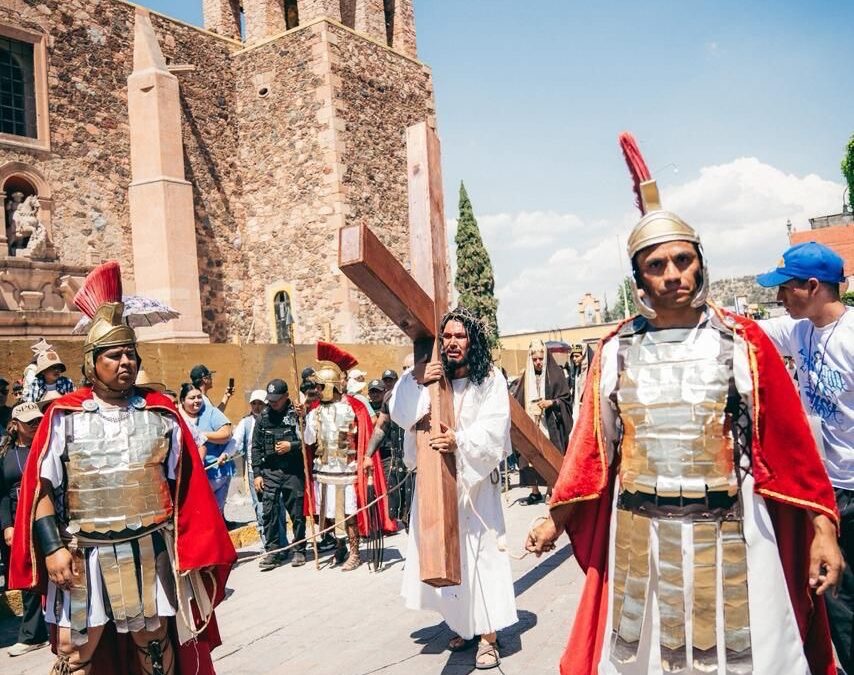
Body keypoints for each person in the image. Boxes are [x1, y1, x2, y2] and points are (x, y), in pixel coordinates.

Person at [526, 138, 843, 675]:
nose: (672, 273)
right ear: (639, 280)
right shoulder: (614, 350)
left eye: (682, 260)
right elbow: (590, 454)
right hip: (641, 541)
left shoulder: (743, 342)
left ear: (699, 265)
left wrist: (823, 528)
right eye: (657, 265)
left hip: (735, 529)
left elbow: (790, 448)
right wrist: (556, 521)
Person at [9, 260, 235, 675]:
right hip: (84, 554)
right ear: (92, 361)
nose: (125, 362)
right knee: (74, 652)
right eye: (113, 355)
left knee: (154, 647)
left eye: (130, 353)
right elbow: (41, 489)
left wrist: (196, 547)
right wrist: (53, 547)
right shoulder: (64, 417)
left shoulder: (161, 414)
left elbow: (187, 490)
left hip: (148, 548)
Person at [390, 306, 517, 670]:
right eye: (446, 337)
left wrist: (459, 440)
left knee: (481, 560)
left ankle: (489, 635)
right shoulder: (431, 376)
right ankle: (464, 624)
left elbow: (495, 426)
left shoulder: (489, 378)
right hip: (437, 484)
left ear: (472, 340)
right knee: (450, 559)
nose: (452, 343)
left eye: (460, 336)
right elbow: (401, 412)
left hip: (475, 490)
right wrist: (417, 378)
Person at [755, 241, 853, 674]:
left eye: (785, 287)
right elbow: (745, 329)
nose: (778, 297)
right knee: (840, 608)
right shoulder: (798, 331)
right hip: (829, 494)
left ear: (813, 286)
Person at [304, 343, 395, 571]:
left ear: (328, 386)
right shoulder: (314, 410)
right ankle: (339, 546)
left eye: (319, 386)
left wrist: (365, 459)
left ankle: (355, 552)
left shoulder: (353, 407)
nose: (316, 389)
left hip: (347, 469)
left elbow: (366, 433)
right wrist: (303, 418)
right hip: (323, 470)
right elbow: (308, 441)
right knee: (329, 514)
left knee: (348, 513)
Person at [1, 402, 49, 657]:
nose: (35, 425)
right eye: (30, 422)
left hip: (48, 514)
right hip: (19, 520)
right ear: (16, 425)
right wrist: (7, 525)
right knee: (28, 575)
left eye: (38, 420)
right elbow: (3, 496)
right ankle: (33, 634)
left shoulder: (47, 446)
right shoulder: (5, 455)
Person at [251, 379, 307, 570]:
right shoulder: (262, 417)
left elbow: (309, 440)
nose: (273, 403)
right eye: (271, 399)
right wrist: (257, 474)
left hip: (293, 470)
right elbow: (256, 447)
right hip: (270, 471)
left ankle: (299, 549)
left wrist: (291, 445)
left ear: (286, 397)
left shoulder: (297, 414)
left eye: (277, 399)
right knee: (270, 512)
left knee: (297, 512)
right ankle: (273, 551)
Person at [511, 339, 572, 504]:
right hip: (532, 424)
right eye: (535, 359)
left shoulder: (556, 374)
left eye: (540, 359)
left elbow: (566, 399)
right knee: (529, 458)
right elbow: (518, 399)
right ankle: (534, 491)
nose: (538, 362)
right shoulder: (526, 377)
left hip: (549, 424)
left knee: (549, 457)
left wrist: (551, 403)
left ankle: (551, 490)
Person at [178, 383, 234, 515]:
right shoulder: (177, 416)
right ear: (182, 401)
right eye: (192, 398)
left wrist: (201, 435)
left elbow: (226, 433)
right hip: (188, 476)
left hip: (215, 473)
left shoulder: (210, 412)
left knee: (214, 514)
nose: (197, 401)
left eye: (199, 397)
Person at [366, 372, 410, 524]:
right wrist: (368, 454)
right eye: (404, 368)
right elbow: (381, 427)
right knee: (403, 509)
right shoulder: (390, 397)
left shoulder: (427, 392)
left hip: (421, 462)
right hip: (397, 460)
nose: (408, 371)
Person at [235, 389, 269, 545]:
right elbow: (235, 443)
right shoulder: (246, 423)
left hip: (272, 469)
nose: (256, 407)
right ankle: (266, 542)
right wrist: (226, 455)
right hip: (254, 472)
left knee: (277, 507)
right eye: (253, 403)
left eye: (260, 403)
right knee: (260, 507)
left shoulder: (272, 419)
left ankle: (280, 542)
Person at [564, 343, 589, 421]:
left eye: (577, 356)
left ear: (584, 356)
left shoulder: (589, 372)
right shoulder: (575, 371)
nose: (574, 359)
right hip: (576, 406)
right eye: (573, 356)